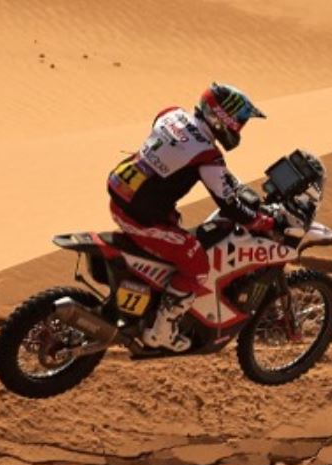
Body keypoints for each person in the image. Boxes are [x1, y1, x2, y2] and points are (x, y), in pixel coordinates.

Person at [107, 83, 283, 351]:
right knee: (197, 265)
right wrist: (263, 222)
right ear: (223, 118)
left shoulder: (171, 114)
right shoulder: (208, 156)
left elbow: (178, 154)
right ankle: (161, 332)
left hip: (122, 191)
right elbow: (231, 206)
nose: (240, 128)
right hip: (139, 217)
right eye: (240, 122)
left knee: (176, 230)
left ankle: (148, 297)